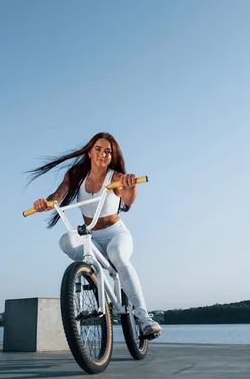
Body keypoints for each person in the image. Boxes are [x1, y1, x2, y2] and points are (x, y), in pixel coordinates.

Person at [27, 132, 162, 338]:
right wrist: (45, 203)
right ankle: (91, 277)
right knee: (66, 241)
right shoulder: (75, 175)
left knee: (117, 254)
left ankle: (144, 318)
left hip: (115, 234)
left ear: (111, 156)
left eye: (108, 152)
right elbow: (57, 196)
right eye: (98, 149)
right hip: (91, 237)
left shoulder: (115, 177)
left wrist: (130, 185)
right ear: (90, 152)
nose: (102, 154)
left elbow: (129, 200)